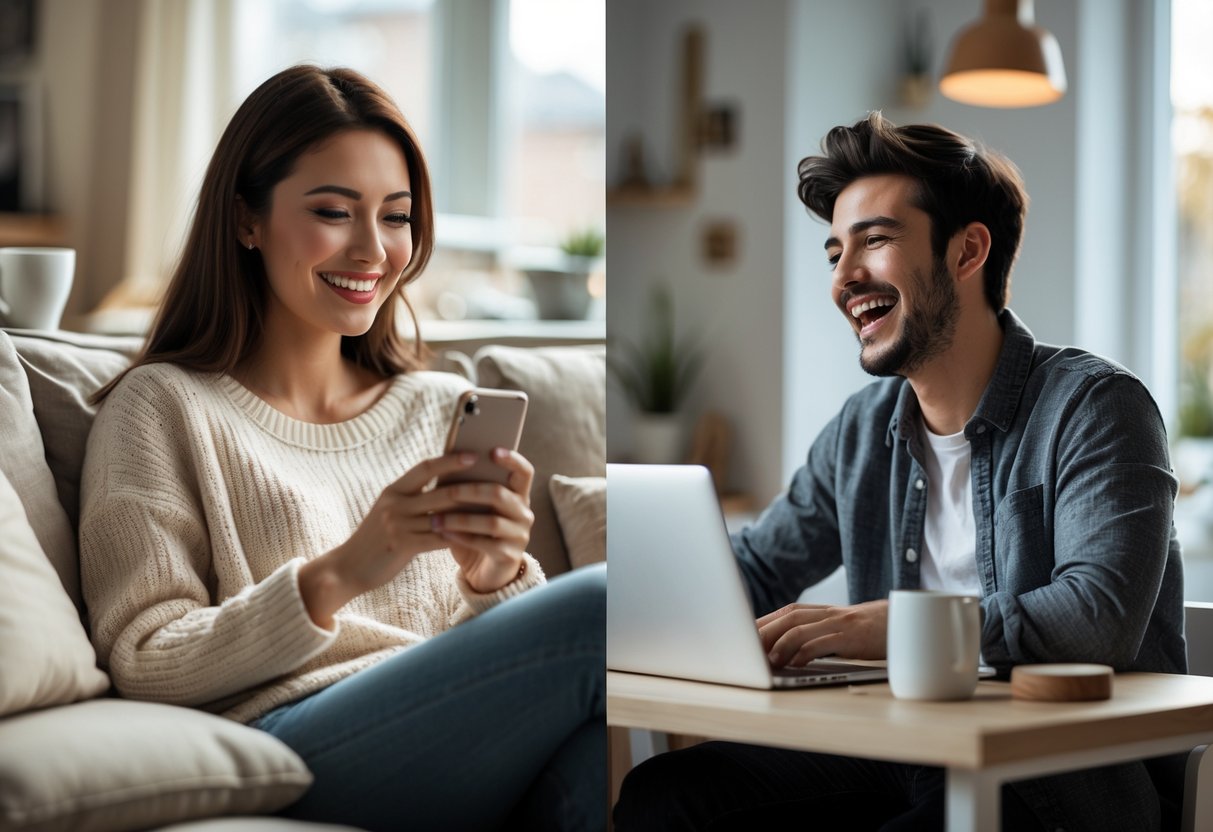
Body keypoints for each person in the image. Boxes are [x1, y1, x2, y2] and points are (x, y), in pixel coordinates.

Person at [613, 112, 1185, 831]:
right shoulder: (862, 427)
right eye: (832, 254)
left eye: (874, 241)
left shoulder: (1095, 407)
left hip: (1057, 781)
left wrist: (896, 627)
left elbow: (1096, 617)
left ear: (967, 251)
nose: (844, 278)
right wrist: (630, 596)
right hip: (898, 749)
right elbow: (756, 567)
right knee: (666, 797)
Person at [79, 65, 605, 832]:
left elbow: (499, 668)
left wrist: (496, 578)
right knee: (596, 604)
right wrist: (342, 572)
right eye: (333, 211)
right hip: (291, 741)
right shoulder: (162, 407)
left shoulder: (435, 405)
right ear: (244, 220)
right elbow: (145, 656)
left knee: (612, 761)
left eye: (396, 218)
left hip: (448, 738)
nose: (372, 250)